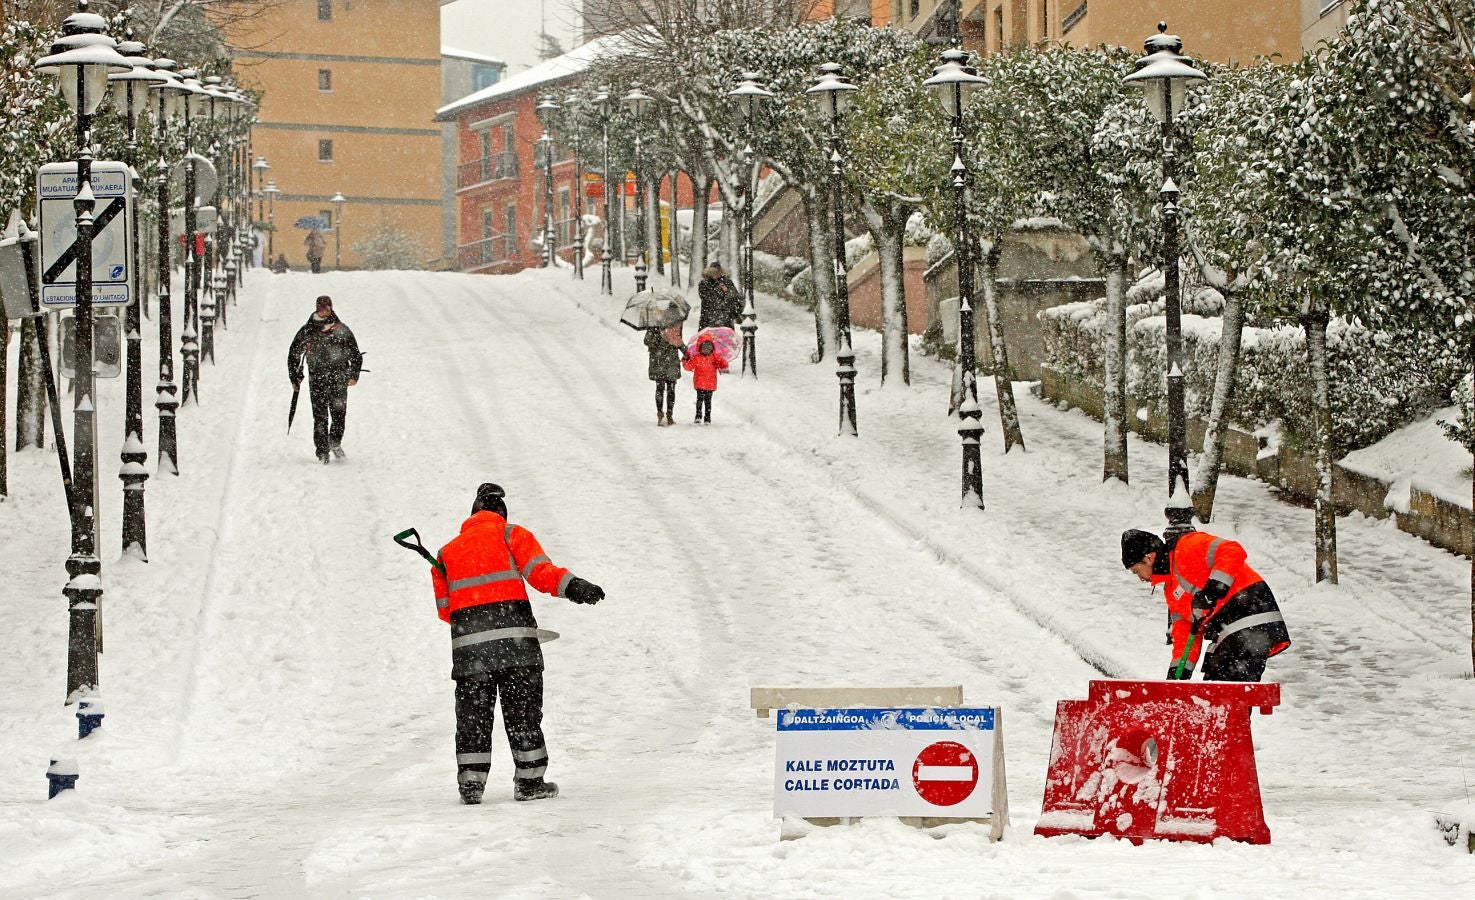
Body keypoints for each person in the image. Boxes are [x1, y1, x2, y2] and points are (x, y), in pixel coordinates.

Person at [431, 482, 605, 805]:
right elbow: (541, 574)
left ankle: (471, 785)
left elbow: (446, 612)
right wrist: (577, 588)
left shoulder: (445, 553)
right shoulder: (511, 535)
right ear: (501, 513)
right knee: (522, 711)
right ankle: (529, 782)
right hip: (516, 646)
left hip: (471, 652)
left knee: (473, 715)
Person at [1121, 529, 1291, 682]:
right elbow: (1185, 631)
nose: (1141, 579)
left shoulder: (1187, 546)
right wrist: (1177, 675)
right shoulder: (1172, 590)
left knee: (1226, 692)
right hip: (1227, 632)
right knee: (1214, 690)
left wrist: (1215, 587)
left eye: (1137, 571)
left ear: (1149, 558)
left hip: (1250, 615)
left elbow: (1232, 550)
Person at [287, 295, 362, 464]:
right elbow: (294, 353)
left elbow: (355, 354)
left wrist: (353, 374)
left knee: (339, 415)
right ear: (316, 309)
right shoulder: (307, 330)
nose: (323, 312)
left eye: (326, 309)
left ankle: (334, 442)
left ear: (331, 309)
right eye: (320, 309)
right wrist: (294, 377)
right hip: (317, 380)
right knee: (320, 417)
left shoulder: (342, 330)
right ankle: (322, 451)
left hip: (339, 379)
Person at [645, 323, 684, 427]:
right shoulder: (654, 325)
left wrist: (687, 352)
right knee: (660, 388)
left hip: (672, 362)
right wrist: (659, 339)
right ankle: (660, 414)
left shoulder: (676, 325)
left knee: (671, 389)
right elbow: (647, 340)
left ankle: (670, 415)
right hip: (658, 361)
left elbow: (678, 341)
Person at [682, 337, 728, 425]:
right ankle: (698, 416)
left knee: (708, 402)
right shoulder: (697, 358)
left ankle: (707, 418)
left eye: (709, 348)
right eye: (704, 348)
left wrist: (720, 363)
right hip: (700, 383)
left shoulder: (715, 357)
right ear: (700, 348)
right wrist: (685, 360)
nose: (706, 350)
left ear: (712, 348)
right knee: (699, 401)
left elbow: (725, 364)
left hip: (710, 384)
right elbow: (689, 367)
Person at [697, 263, 740, 331]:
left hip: (725, 317)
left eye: (717, 271)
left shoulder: (727, 282)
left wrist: (725, 293)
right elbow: (706, 297)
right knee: (708, 338)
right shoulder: (704, 283)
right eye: (713, 272)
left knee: (725, 338)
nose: (715, 274)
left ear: (721, 271)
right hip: (708, 318)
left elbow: (733, 296)